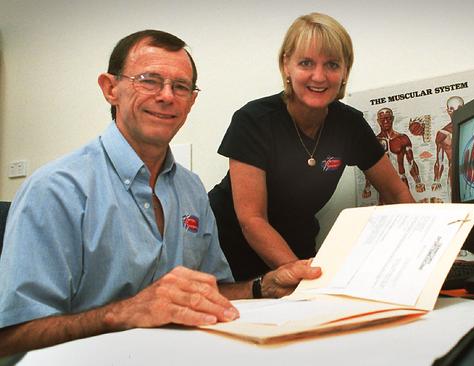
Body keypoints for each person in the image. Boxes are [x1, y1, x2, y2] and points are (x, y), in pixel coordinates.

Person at [0, 29, 320, 358]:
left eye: (180, 86)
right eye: (149, 80)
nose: (167, 96)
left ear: (191, 101)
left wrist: (263, 286)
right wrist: (122, 313)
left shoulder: (191, 188)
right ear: (110, 89)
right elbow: (11, 338)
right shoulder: (55, 190)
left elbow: (214, 292)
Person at [208, 13, 414, 281]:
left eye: (332, 64)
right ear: (286, 66)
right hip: (228, 248)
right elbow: (252, 220)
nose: (319, 76)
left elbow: (396, 192)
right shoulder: (254, 120)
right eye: (306, 63)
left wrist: (426, 250)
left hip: (297, 244)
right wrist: (303, 277)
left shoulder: (349, 124)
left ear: (344, 72)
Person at [362, 107, 425, 201]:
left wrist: (418, 182)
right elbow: (370, 168)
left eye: (388, 118)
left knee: (406, 211)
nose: (386, 121)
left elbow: (411, 162)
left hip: (401, 181)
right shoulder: (374, 142)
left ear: (393, 118)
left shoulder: (403, 138)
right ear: (378, 121)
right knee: (385, 213)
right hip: (384, 185)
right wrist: (367, 188)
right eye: (382, 119)